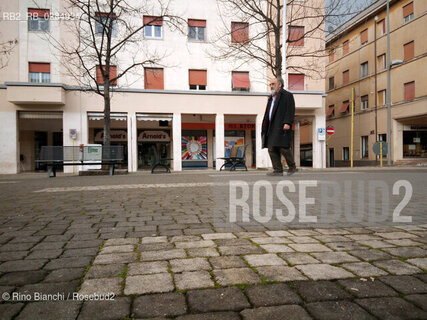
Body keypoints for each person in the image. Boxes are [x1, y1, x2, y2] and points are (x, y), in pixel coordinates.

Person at [261, 76, 297, 176]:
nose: (271, 86)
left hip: (281, 125)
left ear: (279, 84)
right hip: (271, 126)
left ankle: (292, 166)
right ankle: (277, 170)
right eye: (270, 85)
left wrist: (288, 123)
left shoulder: (287, 95)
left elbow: (290, 110)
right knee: (271, 148)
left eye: (273, 84)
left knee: (283, 147)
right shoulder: (271, 97)